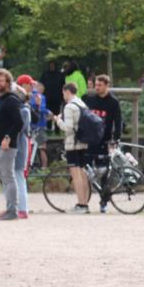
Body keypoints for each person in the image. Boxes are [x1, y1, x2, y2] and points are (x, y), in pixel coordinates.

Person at [83, 74, 123, 212]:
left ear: (107, 85)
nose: (97, 88)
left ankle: (103, 202)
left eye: (100, 85)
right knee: (85, 168)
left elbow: (118, 122)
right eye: (96, 85)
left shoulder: (113, 102)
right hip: (90, 139)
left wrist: (116, 138)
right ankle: (83, 200)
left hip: (104, 141)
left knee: (104, 172)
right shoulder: (90, 99)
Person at [0, 69, 23, 220]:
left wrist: (7, 137)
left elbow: (19, 123)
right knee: (4, 178)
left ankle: (12, 210)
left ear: (8, 83)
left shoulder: (11, 100)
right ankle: (9, 208)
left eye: (1, 81)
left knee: (8, 178)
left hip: (6, 146)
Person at [53, 83, 91, 214]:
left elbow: (68, 128)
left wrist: (58, 120)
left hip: (73, 144)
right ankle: (85, 202)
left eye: (63, 93)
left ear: (67, 92)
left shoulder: (69, 107)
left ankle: (81, 204)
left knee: (76, 175)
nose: (63, 96)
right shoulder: (81, 104)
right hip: (83, 143)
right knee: (83, 174)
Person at [13, 77, 35, 219]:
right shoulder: (25, 107)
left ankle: (21, 207)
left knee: (18, 175)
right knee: (17, 175)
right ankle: (19, 207)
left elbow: (20, 128)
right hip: (21, 142)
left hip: (19, 144)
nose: (32, 87)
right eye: (29, 85)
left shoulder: (23, 109)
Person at [30, 80, 52, 169]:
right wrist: (48, 112)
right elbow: (42, 109)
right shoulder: (40, 96)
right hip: (40, 125)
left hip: (31, 125)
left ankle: (30, 167)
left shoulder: (27, 96)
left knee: (31, 147)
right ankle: (44, 168)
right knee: (42, 147)